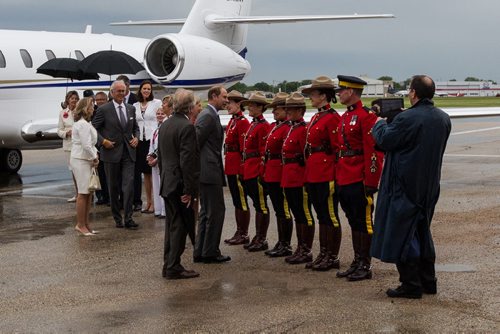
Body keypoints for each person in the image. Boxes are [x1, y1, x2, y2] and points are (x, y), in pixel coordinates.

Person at [371, 75, 451, 299]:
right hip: (428, 186)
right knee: (423, 234)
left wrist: (379, 124)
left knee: (402, 236)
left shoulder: (407, 119)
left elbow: (385, 141)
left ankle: (411, 284)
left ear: (414, 93)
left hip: (404, 187)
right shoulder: (443, 118)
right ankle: (428, 281)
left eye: (409, 90)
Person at [334, 75, 383, 281]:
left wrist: (371, 181)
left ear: (351, 92)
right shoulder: (346, 116)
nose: (339, 94)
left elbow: (373, 152)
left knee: (364, 222)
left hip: (359, 178)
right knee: (353, 221)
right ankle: (357, 260)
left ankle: (365, 263)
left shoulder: (366, 116)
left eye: (341, 90)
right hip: (345, 176)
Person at [298, 76, 341, 270]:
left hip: (326, 173)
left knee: (330, 216)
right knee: (321, 216)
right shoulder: (316, 117)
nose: (310, 98)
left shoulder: (332, 118)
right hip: (314, 172)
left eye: (313, 94)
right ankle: (323, 253)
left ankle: (332, 256)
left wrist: (333, 174)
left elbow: (337, 149)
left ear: (324, 96)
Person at [158, 88, 200, 280]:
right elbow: (187, 162)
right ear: (190, 107)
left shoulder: (166, 125)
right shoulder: (186, 127)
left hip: (168, 181)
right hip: (179, 184)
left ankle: (169, 263)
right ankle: (173, 265)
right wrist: (189, 190)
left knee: (171, 225)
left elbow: (161, 157)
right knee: (180, 226)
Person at [92, 80, 140, 230]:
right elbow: (93, 129)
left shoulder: (131, 108)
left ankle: (129, 217)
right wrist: (103, 141)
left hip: (128, 153)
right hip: (111, 153)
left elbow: (136, 128)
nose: (121, 93)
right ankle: (117, 218)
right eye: (118, 91)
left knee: (128, 185)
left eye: (123, 91)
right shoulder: (103, 109)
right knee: (113, 188)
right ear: (112, 93)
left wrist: (136, 138)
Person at [193, 85, 231, 263]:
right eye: (224, 96)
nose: (227, 100)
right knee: (215, 212)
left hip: (207, 170)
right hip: (208, 171)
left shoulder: (209, 114)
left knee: (206, 212)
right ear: (214, 96)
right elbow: (195, 142)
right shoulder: (207, 116)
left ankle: (202, 250)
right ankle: (210, 251)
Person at [281, 92, 315, 263]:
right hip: (289, 175)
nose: (288, 112)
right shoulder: (293, 127)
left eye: (292, 109)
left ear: (301, 110)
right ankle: (300, 247)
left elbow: (306, 155)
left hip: (299, 176)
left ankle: (306, 249)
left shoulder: (302, 129)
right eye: (287, 109)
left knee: (304, 214)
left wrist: (307, 178)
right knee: (296, 214)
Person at [262, 93, 293, 257]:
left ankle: (286, 244)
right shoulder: (276, 126)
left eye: (277, 108)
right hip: (272, 171)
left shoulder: (288, 127)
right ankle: (281, 242)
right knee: (279, 210)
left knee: (284, 210)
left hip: (281, 172)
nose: (274, 111)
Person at [241, 92, 272, 252]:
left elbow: (263, 153)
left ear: (260, 107)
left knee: (261, 206)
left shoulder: (263, 126)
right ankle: (258, 236)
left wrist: (261, 173)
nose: (249, 107)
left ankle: (262, 237)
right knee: (257, 205)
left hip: (256, 171)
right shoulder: (254, 124)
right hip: (249, 168)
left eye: (252, 105)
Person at [222, 90, 251, 246]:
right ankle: (239, 231)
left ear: (239, 104)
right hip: (231, 165)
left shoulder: (243, 122)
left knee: (241, 201)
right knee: (236, 201)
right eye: (226, 103)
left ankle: (243, 233)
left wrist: (242, 168)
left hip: (238, 165)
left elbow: (243, 148)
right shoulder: (233, 121)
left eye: (230, 103)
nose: (227, 106)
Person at [70, 97, 99, 236]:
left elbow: (90, 144)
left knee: (89, 193)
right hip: (81, 159)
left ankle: (86, 223)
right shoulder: (82, 124)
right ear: (85, 109)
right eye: (91, 106)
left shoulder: (87, 123)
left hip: (86, 158)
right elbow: (86, 145)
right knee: (83, 193)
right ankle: (80, 224)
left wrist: (94, 155)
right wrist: (94, 157)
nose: (93, 108)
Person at [133, 80, 162, 213]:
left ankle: (156, 203)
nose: (146, 91)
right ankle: (149, 202)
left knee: (153, 172)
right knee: (145, 174)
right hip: (141, 141)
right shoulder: (135, 105)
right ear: (140, 90)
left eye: (149, 89)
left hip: (152, 140)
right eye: (144, 88)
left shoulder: (156, 103)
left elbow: (161, 118)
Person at [58, 90, 79, 202]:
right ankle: (77, 194)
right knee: (73, 170)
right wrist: (66, 133)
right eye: (72, 98)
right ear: (67, 100)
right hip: (68, 145)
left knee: (81, 170)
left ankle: (84, 194)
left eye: (76, 98)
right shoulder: (62, 113)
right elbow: (59, 130)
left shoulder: (80, 112)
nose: (74, 100)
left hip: (79, 145)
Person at [147, 108, 167, 218]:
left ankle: (165, 210)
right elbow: (152, 144)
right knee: (156, 186)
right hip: (154, 161)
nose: (159, 115)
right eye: (158, 114)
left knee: (162, 185)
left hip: (161, 160)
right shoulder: (156, 128)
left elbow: (163, 146)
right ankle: (158, 209)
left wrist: (156, 158)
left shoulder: (166, 126)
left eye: (162, 113)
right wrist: (149, 156)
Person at [94, 91, 110, 205]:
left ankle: (109, 197)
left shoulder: (110, 111)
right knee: (99, 174)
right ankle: (101, 196)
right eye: (97, 100)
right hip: (97, 146)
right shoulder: (93, 112)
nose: (99, 101)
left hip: (108, 145)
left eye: (102, 99)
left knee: (109, 175)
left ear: (107, 100)